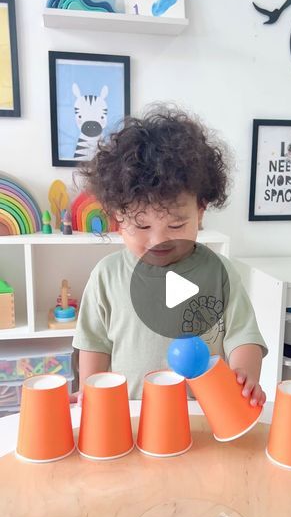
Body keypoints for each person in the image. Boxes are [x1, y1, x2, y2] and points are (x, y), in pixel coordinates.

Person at [72, 105, 267, 405]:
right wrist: (90, 391)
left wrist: (245, 375)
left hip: (202, 416)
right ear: (117, 218)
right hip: (131, 417)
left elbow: (243, 336)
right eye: (142, 225)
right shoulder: (106, 275)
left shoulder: (219, 273)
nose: (158, 239)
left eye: (176, 224)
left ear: (200, 212)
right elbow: (94, 344)